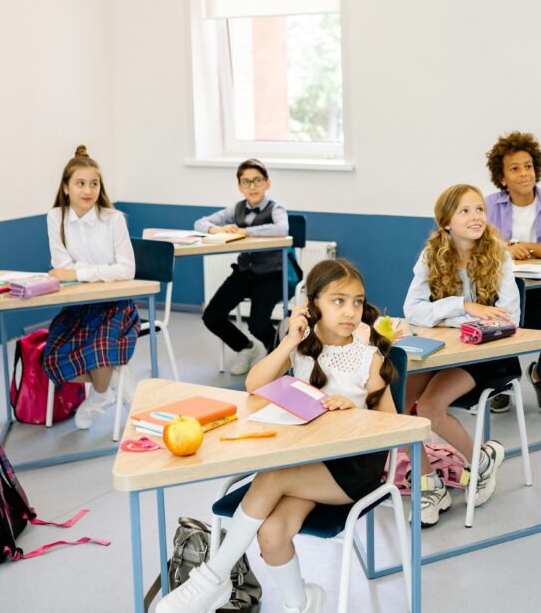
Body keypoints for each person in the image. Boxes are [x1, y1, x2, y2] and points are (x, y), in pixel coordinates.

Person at [157, 259, 399, 613]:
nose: (350, 311)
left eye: (357, 301)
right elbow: (253, 385)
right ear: (311, 305)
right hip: (306, 460)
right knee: (271, 535)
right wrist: (289, 340)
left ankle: (212, 579)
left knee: (272, 475)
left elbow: (392, 425)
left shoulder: (368, 358)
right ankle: (302, 603)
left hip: (352, 468)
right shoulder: (302, 348)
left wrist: (354, 410)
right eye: (338, 300)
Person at [402, 184, 520, 526]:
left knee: (429, 408)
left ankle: (481, 462)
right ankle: (429, 483)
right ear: (446, 222)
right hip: (443, 352)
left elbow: (508, 318)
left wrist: (444, 317)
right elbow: (412, 310)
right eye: (465, 211)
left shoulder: (499, 254)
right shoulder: (431, 256)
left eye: (479, 209)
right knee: (398, 405)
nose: (476, 217)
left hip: (488, 355)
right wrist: (465, 307)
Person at [43, 145, 139, 430]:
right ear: (66, 187)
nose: (88, 190)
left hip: (117, 304)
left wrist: (79, 271)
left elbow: (126, 270)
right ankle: (111, 383)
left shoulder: (114, 219)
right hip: (79, 305)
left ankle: (98, 395)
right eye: (80, 183)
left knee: (100, 348)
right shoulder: (56, 217)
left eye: (94, 184)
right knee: (51, 358)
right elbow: (61, 266)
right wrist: (97, 272)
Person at [482, 131, 541, 415]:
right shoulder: (490, 204)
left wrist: (522, 247)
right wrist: (507, 248)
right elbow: (481, 244)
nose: (524, 174)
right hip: (502, 292)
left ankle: (539, 377)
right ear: (502, 177)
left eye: (528, 166)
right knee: (498, 342)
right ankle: (504, 385)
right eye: (515, 168)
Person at [195, 158, 290, 375]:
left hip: (272, 275)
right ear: (239, 186)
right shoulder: (237, 208)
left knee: (257, 324)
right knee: (211, 316)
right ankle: (247, 348)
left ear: (267, 183)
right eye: (246, 182)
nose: (252, 186)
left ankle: (279, 356)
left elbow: (282, 229)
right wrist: (216, 230)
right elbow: (200, 223)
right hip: (244, 273)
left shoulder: (276, 208)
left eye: (257, 180)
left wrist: (245, 231)